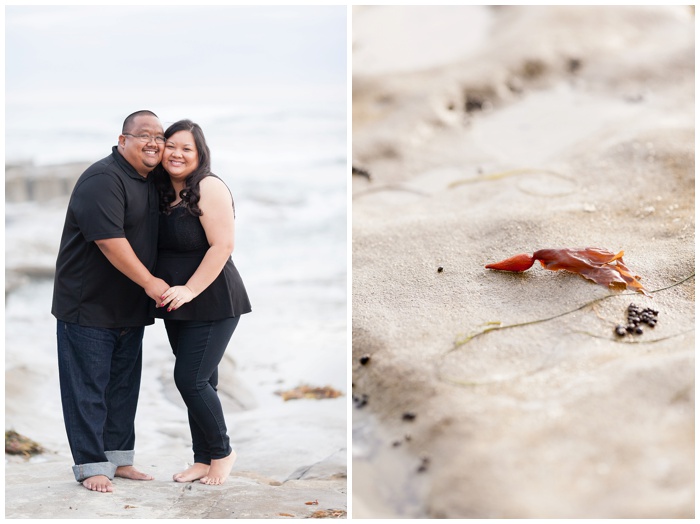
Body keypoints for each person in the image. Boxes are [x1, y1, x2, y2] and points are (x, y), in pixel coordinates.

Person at [52, 110, 170, 493]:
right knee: (88, 388)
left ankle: (118, 460)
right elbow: (109, 242)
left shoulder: (148, 181)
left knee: (122, 388)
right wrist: (151, 282)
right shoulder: (104, 179)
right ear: (123, 141)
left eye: (159, 136)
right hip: (88, 305)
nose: (153, 142)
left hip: (127, 306)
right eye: (143, 135)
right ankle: (90, 465)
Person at [151, 119, 252, 485]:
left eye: (186, 148)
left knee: (189, 379)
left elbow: (222, 246)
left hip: (213, 298)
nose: (177, 154)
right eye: (171, 146)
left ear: (200, 154)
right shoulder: (162, 190)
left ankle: (223, 452)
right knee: (203, 380)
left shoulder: (209, 186)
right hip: (177, 302)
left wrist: (190, 290)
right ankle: (202, 458)